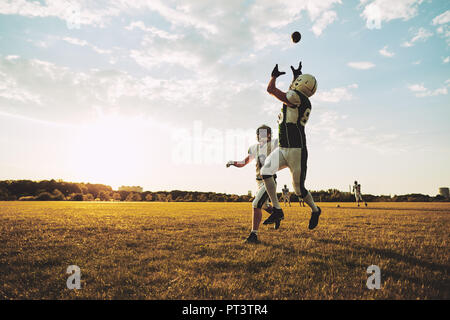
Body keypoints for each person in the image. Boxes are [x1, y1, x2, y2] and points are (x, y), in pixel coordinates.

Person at [260, 62, 322, 230]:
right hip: (284, 146)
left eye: (298, 81)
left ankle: (315, 210)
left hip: (296, 150)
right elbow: (290, 92)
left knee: (299, 190)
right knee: (266, 171)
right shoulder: (302, 98)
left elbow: (271, 91)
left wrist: (273, 76)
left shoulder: (296, 97)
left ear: (301, 84)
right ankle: (278, 210)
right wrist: (295, 76)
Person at [226, 125, 279, 244]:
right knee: (264, 206)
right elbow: (244, 162)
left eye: (263, 133)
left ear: (269, 135)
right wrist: (233, 162)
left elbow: (285, 141)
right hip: (259, 182)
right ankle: (277, 215)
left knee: (256, 204)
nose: (260, 135)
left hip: (269, 180)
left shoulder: (274, 144)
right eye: (258, 133)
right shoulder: (254, 148)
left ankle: (253, 235)